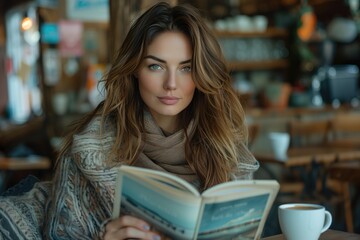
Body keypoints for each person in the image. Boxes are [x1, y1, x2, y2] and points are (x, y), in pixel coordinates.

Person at [0, 2, 258, 239]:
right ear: (134, 70)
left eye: (186, 68)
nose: (171, 84)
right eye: (155, 66)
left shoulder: (227, 150)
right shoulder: (89, 152)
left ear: (202, 73)